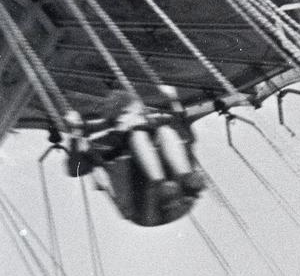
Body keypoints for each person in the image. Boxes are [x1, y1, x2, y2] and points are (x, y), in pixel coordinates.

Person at [73, 85, 206, 228]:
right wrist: (76, 134)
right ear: (122, 118)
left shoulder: (151, 131)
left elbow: (181, 125)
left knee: (165, 130)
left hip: (181, 197)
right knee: (138, 136)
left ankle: (184, 178)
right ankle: (162, 186)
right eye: (138, 114)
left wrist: (173, 98)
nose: (144, 117)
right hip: (146, 212)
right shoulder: (105, 144)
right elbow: (74, 168)